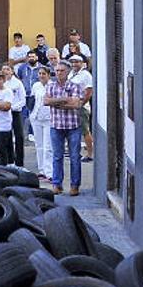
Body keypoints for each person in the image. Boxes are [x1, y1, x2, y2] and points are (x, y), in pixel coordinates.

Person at [45, 60, 85, 196]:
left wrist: (56, 102)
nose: (58, 73)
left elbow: (76, 104)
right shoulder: (50, 86)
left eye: (61, 71)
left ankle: (75, 185)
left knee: (74, 156)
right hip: (56, 125)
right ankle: (57, 184)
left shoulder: (75, 86)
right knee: (57, 156)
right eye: (57, 70)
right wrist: (65, 100)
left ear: (68, 72)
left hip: (73, 126)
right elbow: (46, 101)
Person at [67, 55, 94, 163]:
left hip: (81, 107)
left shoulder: (86, 75)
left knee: (85, 130)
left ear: (82, 63)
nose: (74, 64)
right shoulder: (71, 73)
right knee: (73, 130)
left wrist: (82, 103)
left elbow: (89, 91)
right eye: (72, 62)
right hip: (71, 106)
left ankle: (90, 154)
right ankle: (74, 152)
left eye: (77, 62)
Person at [29, 66, 54, 180]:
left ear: (48, 75)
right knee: (39, 145)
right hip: (36, 117)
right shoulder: (35, 86)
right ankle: (42, 170)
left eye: (43, 73)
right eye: (39, 73)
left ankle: (49, 172)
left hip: (48, 118)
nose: (41, 76)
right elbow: (32, 99)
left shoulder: (53, 86)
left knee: (48, 146)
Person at [2, 65, 27, 169]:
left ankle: (19, 163)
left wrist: (12, 107)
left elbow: (23, 99)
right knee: (7, 136)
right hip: (4, 113)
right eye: (4, 69)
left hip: (15, 112)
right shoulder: (1, 83)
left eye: (8, 69)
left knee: (19, 136)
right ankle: (10, 161)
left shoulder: (18, 83)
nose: (6, 71)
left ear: (12, 71)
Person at [17, 51, 42, 138]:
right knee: (22, 116)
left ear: (37, 58)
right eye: (30, 57)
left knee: (34, 114)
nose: (31, 58)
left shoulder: (42, 68)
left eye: (33, 56)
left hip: (35, 95)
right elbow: (19, 78)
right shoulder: (22, 68)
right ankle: (19, 134)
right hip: (24, 95)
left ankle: (32, 133)